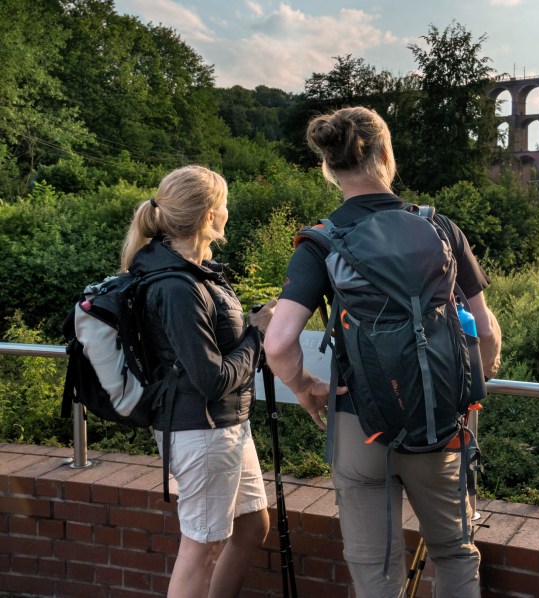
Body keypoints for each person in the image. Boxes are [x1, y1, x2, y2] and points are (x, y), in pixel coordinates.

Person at [263, 106, 502, 597]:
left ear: (328, 168)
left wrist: (308, 390)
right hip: (439, 425)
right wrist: (458, 387)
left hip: (359, 425)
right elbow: (487, 330)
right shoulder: (439, 228)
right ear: (387, 156)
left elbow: (279, 343)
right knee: (455, 555)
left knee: (376, 575)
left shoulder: (322, 242)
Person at [120, 165, 274, 598]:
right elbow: (211, 378)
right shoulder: (177, 286)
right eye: (223, 204)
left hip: (225, 426)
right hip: (203, 430)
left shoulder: (196, 272)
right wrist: (258, 333)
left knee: (251, 527)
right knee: (200, 549)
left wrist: (249, 333)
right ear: (209, 215)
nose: (228, 211)